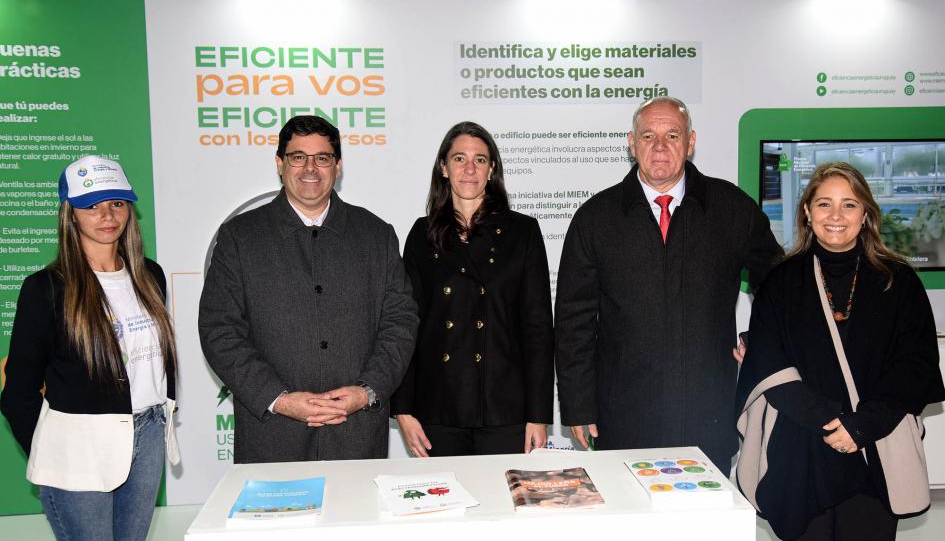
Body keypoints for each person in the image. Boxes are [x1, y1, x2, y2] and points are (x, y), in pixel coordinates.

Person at [735, 162, 945, 541]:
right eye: (824, 203)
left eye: (849, 204)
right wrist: (832, 423)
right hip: (801, 455)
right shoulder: (780, 282)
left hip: (871, 458)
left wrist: (860, 427)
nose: (836, 215)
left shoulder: (898, 281)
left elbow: (915, 368)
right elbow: (768, 367)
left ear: (866, 215)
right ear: (807, 213)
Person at [554, 96, 782, 473]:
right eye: (648, 136)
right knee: (632, 528)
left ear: (690, 143)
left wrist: (763, 340)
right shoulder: (596, 218)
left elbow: (778, 283)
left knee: (703, 527)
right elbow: (573, 321)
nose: (660, 146)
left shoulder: (731, 209)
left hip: (708, 410)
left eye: (671, 135)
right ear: (632, 143)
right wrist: (578, 406)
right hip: (625, 414)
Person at [0, 155, 179, 541]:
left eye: (117, 203)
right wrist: (50, 450)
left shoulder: (150, 276)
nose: (107, 215)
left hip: (146, 437)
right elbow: (17, 390)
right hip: (78, 451)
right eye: (92, 205)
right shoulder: (46, 289)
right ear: (69, 212)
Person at [198, 115, 418, 463]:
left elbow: (400, 324)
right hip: (272, 436)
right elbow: (220, 331)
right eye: (298, 157)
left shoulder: (376, 235)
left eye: (322, 158)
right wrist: (280, 399)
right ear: (280, 164)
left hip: (356, 434)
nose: (310, 168)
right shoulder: (239, 238)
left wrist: (366, 392)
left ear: (338, 166)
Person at [392, 122, 553, 456]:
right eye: (459, 158)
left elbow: (537, 328)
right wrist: (403, 408)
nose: (469, 169)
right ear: (443, 168)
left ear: (492, 169)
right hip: (438, 406)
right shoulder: (422, 235)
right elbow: (407, 325)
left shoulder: (522, 232)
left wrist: (539, 415)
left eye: (480, 160)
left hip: (503, 407)